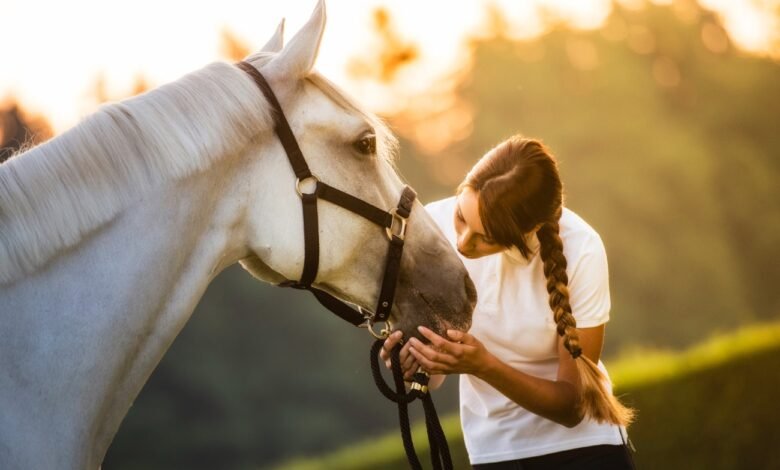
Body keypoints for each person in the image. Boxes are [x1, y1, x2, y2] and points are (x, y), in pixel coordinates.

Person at [381, 135, 636, 469]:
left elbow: (572, 408)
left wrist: (484, 365)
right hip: (492, 452)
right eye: (461, 216)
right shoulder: (430, 227)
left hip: (585, 450)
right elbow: (438, 370)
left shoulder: (582, 248)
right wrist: (417, 359)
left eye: (485, 238)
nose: (461, 243)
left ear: (529, 230)